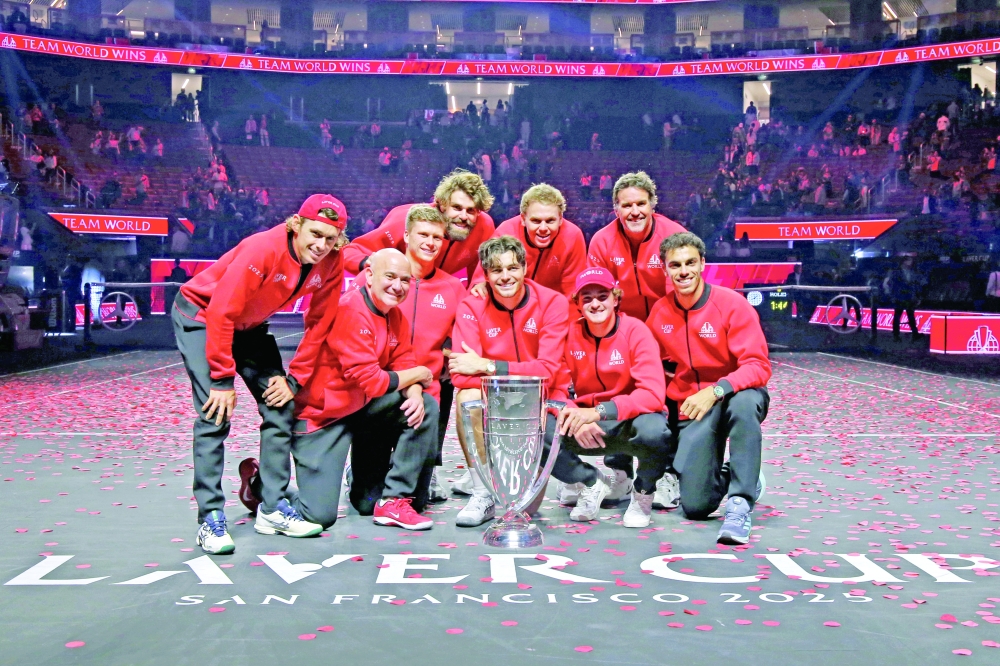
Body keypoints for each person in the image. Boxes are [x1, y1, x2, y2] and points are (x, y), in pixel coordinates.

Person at [173, 195, 348, 555]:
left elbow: (320, 323)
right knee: (214, 413)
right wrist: (221, 380)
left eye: (331, 239)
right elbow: (221, 312)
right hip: (202, 317)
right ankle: (210, 518)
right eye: (315, 234)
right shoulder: (262, 249)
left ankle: (271, 507)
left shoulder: (331, 261)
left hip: (249, 328)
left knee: (280, 405)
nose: (321, 245)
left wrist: (294, 379)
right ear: (296, 225)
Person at [291, 249, 438, 531]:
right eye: (391, 277)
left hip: (362, 410)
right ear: (369, 275)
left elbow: (403, 360)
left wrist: (417, 391)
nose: (398, 286)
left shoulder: (394, 315)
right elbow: (373, 381)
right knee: (319, 516)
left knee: (426, 406)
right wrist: (420, 374)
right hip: (325, 416)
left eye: (405, 280)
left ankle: (393, 500)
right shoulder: (350, 310)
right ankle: (266, 487)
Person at [646, 232, 771, 545]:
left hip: (735, 394)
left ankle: (740, 504)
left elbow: (758, 367)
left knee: (743, 406)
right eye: (675, 265)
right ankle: (740, 474)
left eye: (690, 262)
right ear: (665, 269)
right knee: (696, 506)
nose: (684, 271)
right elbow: (655, 370)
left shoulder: (732, 305)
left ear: (702, 263)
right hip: (695, 408)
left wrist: (717, 390)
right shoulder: (660, 313)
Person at [448, 236, 571, 527]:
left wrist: (487, 365)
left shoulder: (552, 302)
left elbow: (548, 371)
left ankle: (583, 480)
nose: (505, 276)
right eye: (496, 270)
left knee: (526, 506)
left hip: (541, 401)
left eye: (512, 268)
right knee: (466, 398)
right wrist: (513, 375)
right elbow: (460, 375)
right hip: (495, 398)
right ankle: (482, 493)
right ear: (486, 275)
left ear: (525, 268)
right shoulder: (471, 305)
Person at [555, 267, 671, 526]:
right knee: (541, 428)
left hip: (628, 421)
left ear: (616, 299)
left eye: (602, 296)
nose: (595, 304)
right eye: (587, 298)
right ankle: (589, 481)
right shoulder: (568, 334)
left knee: (655, 431)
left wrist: (598, 411)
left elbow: (652, 394)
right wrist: (573, 412)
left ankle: (642, 494)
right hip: (588, 424)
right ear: (577, 304)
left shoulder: (636, 331)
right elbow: (554, 388)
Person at [392, 204, 467, 501]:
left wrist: (451, 355)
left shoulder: (452, 288)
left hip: (427, 392)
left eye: (437, 237)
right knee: (365, 498)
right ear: (407, 235)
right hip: (383, 387)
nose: (430, 242)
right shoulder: (386, 279)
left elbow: (462, 335)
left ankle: (428, 466)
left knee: (418, 499)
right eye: (423, 234)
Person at [343, 170, 495, 284]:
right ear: (441, 204)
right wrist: (368, 263)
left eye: (471, 210)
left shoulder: (484, 226)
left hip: (437, 296)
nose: (463, 216)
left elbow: (480, 272)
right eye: (456, 207)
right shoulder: (405, 219)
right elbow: (351, 251)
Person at [587, 171, 686, 321]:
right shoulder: (602, 241)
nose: (635, 212)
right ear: (616, 210)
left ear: (652, 207)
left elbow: (683, 293)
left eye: (641, 204)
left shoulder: (675, 235)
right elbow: (597, 297)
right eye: (627, 206)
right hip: (622, 325)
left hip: (668, 321)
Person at [469, 184, 587, 298]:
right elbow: (480, 280)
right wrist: (479, 284)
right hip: (511, 305)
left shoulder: (573, 236)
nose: (543, 229)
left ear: (561, 219)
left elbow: (572, 293)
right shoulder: (506, 231)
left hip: (553, 309)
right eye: (536, 221)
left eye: (550, 221)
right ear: (523, 219)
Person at [883, 254, 925, 342]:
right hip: (899, 297)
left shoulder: (912, 272)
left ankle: (914, 334)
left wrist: (917, 296)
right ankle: (896, 335)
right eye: (909, 261)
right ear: (904, 261)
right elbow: (891, 284)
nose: (911, 263)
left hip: (909, 297)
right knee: (898, 316)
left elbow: (915, 285)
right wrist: (893, 295)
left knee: (910, 316)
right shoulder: (896, 272)